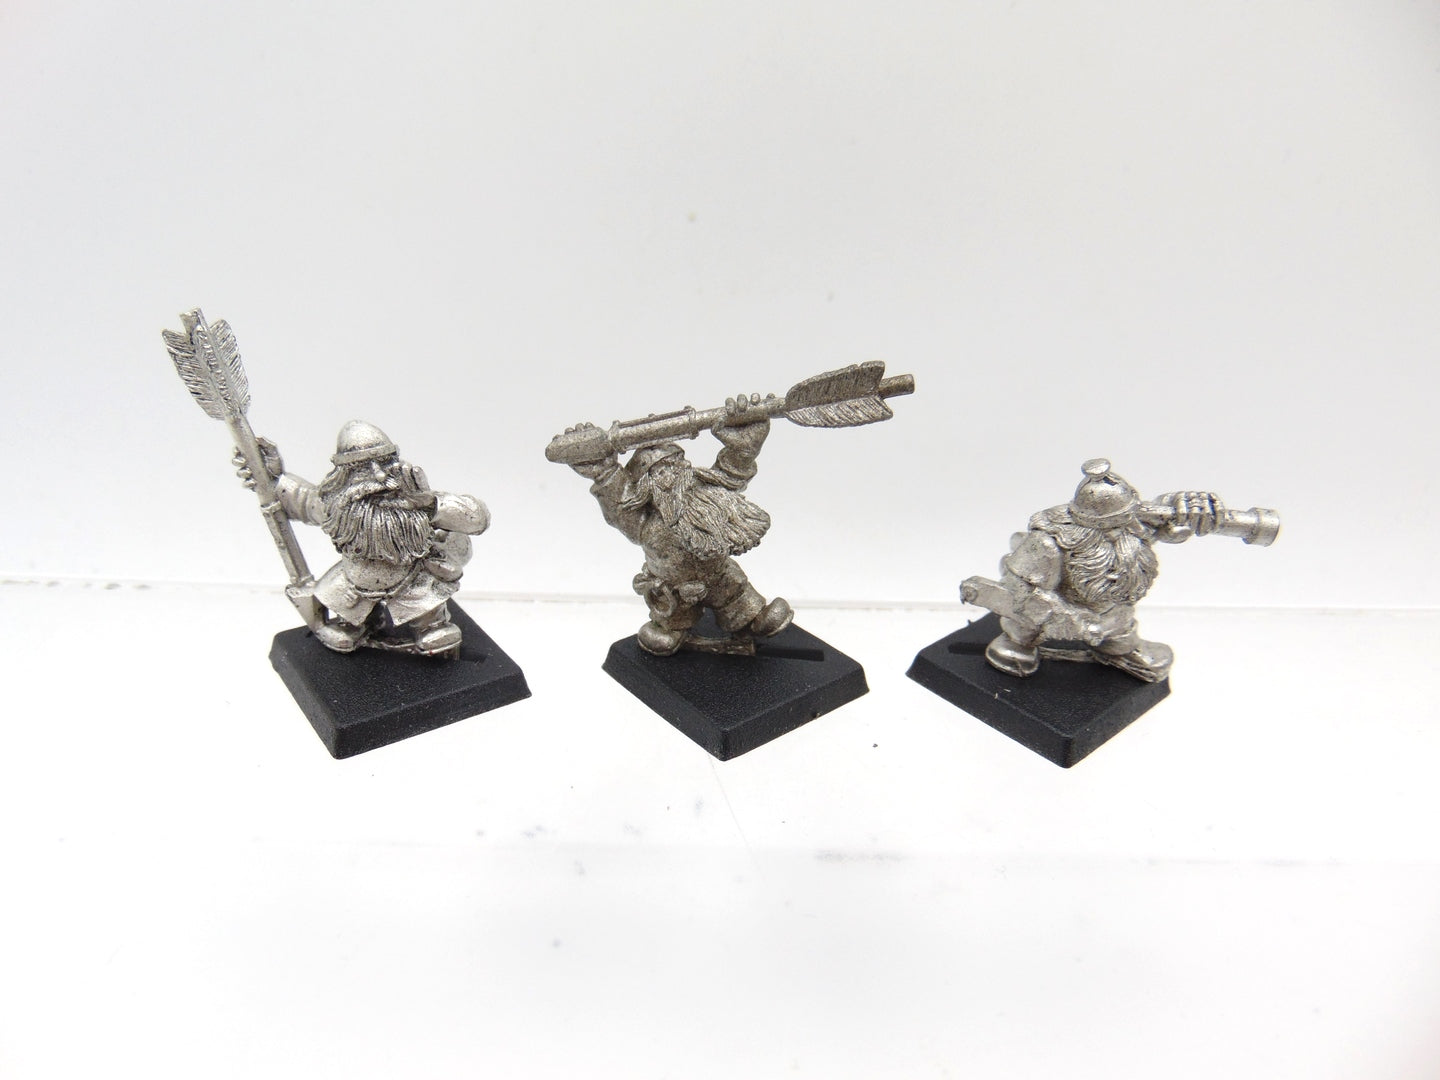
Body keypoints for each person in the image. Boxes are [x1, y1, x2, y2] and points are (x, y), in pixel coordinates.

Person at [565, 394, 792, 655]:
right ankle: (672, 630)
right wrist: (605, 473)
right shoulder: (644, 523)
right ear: (646, 486)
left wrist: (744, 450)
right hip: (674, 588)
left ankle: (751, 621)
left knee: (736, 596)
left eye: (675, 467)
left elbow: (729, 476)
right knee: (665, 630)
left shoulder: (705, 495)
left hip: (720, 574)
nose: (670, 476)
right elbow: (620, 509)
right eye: (659, 472)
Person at [237, 420, 489, 656]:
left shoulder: (417, 503)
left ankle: (430, 625)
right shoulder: (336, 507)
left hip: (413, 578)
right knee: (346, 602)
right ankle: (354, 624)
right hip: (355, 582)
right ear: (343, 476)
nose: (379, 477)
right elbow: (303, 500)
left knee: (424, 597)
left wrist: (430, 504)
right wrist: (274, 479)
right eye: (364, 469)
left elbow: (476, 518)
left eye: (384, 464)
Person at [974, 459, 1222, 682]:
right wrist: (1071, 618)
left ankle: (1118, 648)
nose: (1124, 532)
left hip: (1110, 609)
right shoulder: (1047, 543)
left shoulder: (1132, 528)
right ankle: (1016, 645)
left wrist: (1189, 510)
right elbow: (1019, 590)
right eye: (1113, 527)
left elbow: (1167, 526)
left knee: (1118, 619)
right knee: (1027, 620)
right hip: (1054, 605)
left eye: (1126, 522)